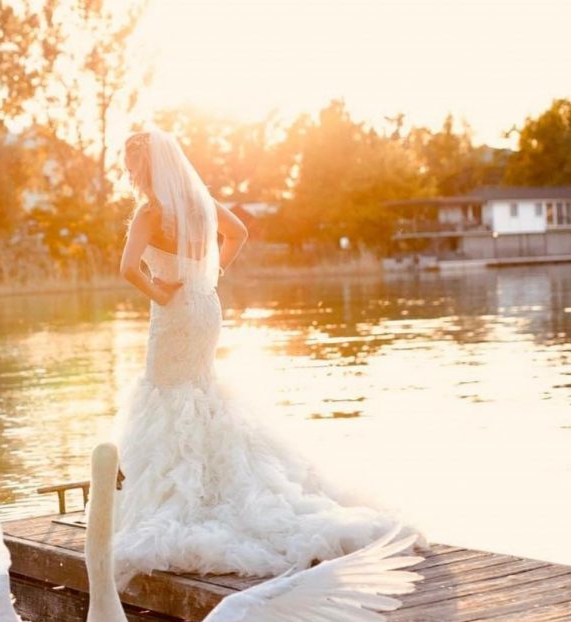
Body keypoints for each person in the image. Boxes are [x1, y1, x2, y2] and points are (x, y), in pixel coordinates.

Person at [110, 127, 419, 581]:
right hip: (206, 305)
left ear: (145, 167)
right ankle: (214, 486)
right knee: (201, 390)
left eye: (132, 167)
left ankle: (186, 495)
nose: (131, 176)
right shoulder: (199, 204)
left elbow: (126, 269)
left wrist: (161, 291)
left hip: (175, 313)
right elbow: (238, 233)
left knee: (164, 393)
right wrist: (208, 276)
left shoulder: (149, 214)